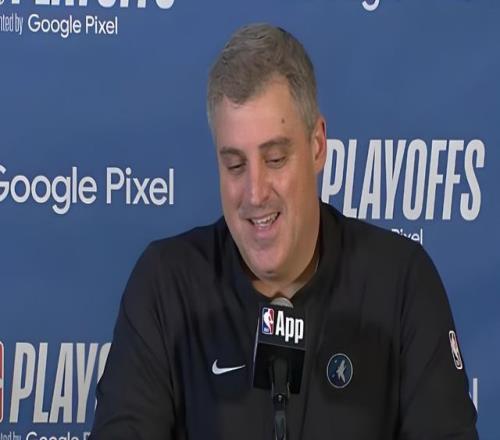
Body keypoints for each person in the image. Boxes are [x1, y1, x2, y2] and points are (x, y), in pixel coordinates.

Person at [90, 23, 478, 439]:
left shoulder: (402, 283)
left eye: (275, 159)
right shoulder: (165, 286)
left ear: (317, 146)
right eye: (235, 165)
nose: (255, 193)